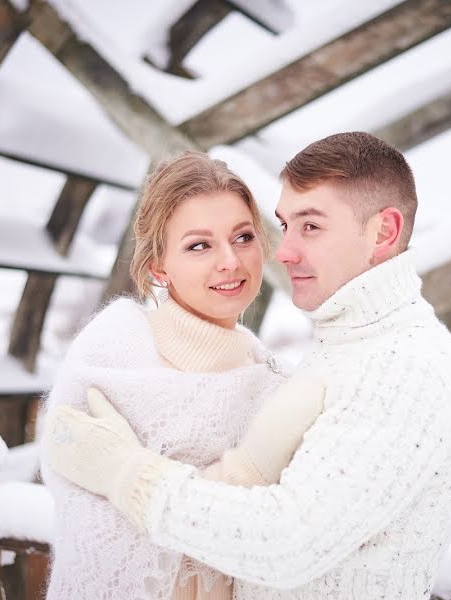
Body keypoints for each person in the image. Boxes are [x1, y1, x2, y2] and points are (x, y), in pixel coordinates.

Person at [46, 132, 451, 599]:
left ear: (384, 231)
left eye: (310, 227)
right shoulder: (342, 348)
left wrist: (126, 473)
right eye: (284, 226)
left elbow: (286, 540)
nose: (284, 251)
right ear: (158, 266)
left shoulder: (402, 371)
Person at [40, 152, 325, 600]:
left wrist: (132, 474)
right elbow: (75, 479)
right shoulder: (111, 357)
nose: (230, 261)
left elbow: (287, 528)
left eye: (243, 237)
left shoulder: (275, 388)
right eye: (199, 245)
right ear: (158, 266)